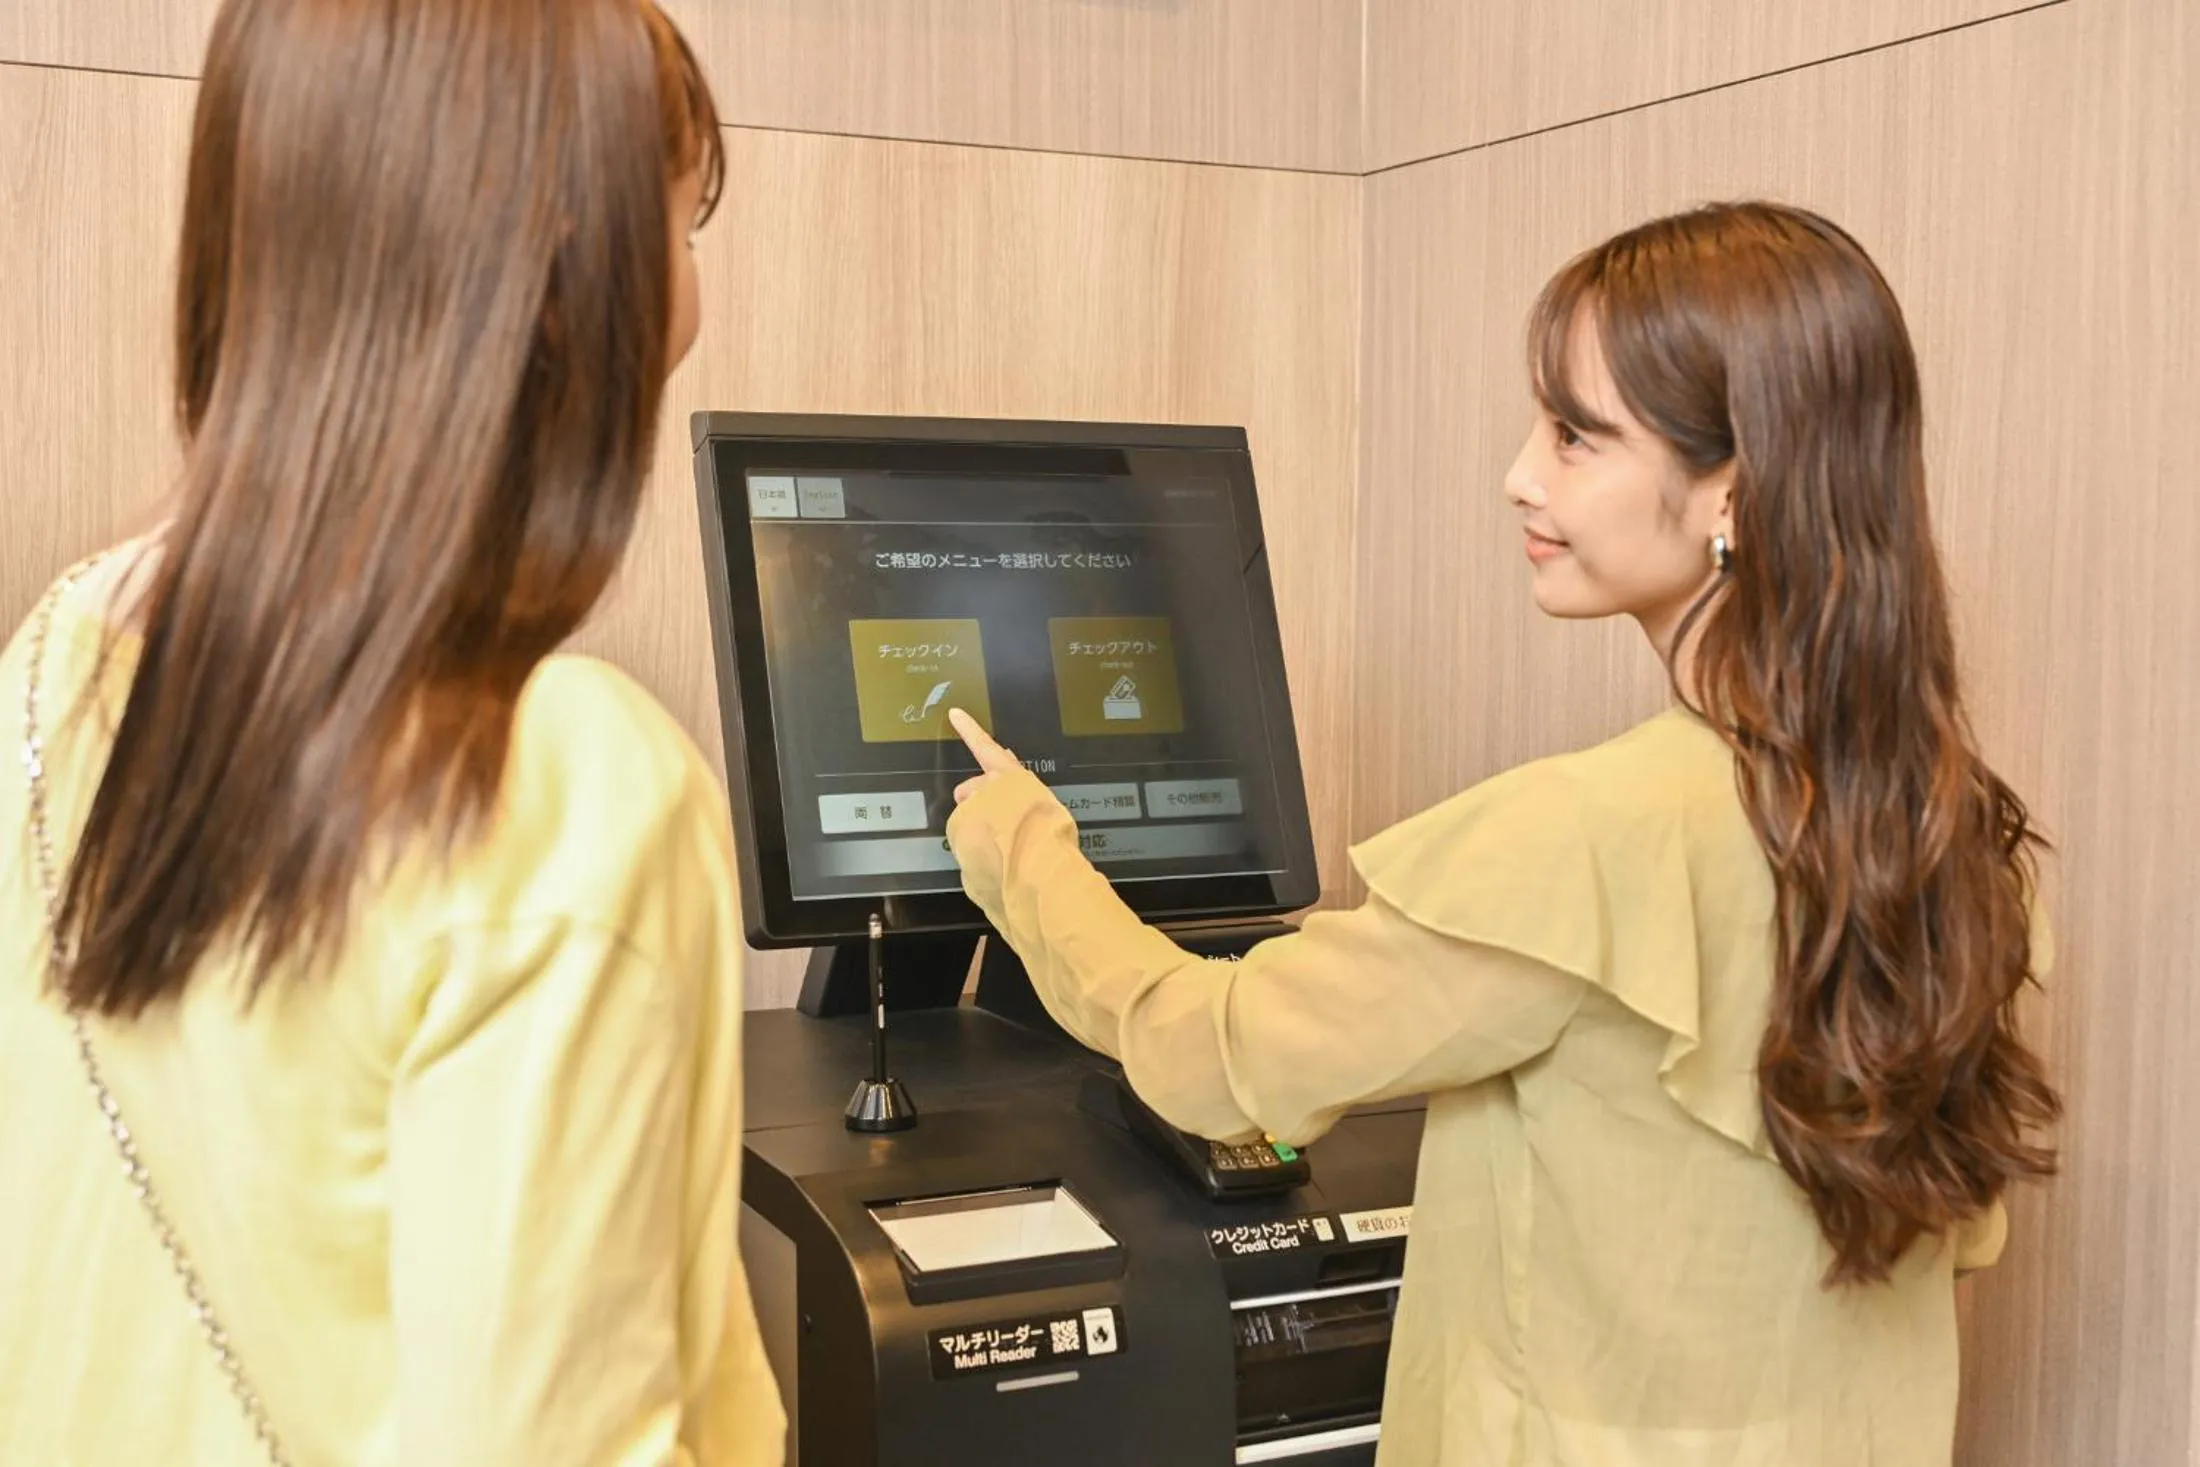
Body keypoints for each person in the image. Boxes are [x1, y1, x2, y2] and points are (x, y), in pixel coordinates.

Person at [941, 202, 2060, 1464]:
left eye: (1578, 436)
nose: (1519, 473)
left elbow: (1209, 1057)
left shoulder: (1583, 836)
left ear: (1729, 491)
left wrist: (1021, 849)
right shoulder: (1951, 833)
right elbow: (1957, 1239)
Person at [0, 2, 783, 1463]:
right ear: (556, 283)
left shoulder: (46, 667)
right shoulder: (568, 791)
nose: (687, 307)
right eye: (677, 232)